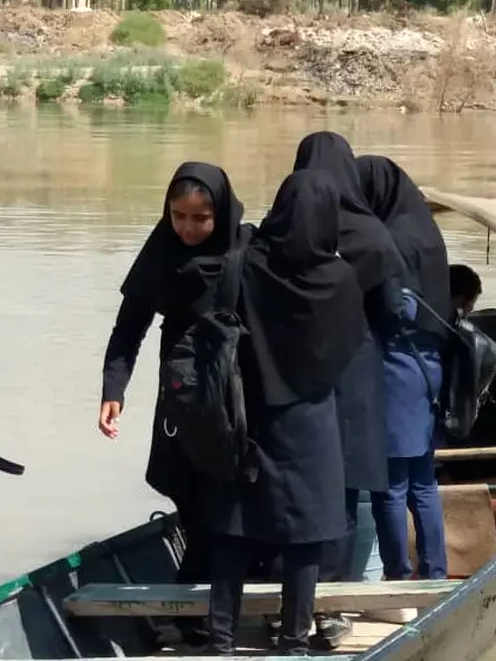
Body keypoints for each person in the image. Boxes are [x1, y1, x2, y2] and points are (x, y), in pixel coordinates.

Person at [204, 169, 367, 657]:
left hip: (247, 414)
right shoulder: (339, 278)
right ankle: (293, 642)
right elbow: (350, 346)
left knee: (234, 529)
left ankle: (220, 641)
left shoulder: (248, 261)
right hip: (310, 421)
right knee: (304, 537)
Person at [97, 161, 246, 648]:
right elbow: (129, 328)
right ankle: (187, 611)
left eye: (199, 218)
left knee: (214, 503)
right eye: (177, 215)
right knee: (188, 494)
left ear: (218, 215)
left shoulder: (244, 253)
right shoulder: (161, 255)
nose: (186, 227)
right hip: (181, 399)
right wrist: (113, 391)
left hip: (230, 397)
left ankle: (182, 612)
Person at [290, 132, 408, 646]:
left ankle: (286, 598)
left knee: (294, 483)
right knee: (344, 488)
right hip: (355, 370)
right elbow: (390, 314)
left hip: (291, 374)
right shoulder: (374, 238)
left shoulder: (282, 227)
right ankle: (332, 603)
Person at [356, 155, 450, 588]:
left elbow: (395, 308)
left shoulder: (388, 239)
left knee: (390, 488)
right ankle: (435, 574)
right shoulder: (427, 234)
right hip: (427, 368)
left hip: (396, 370)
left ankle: (397, 577)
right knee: (423, 484)